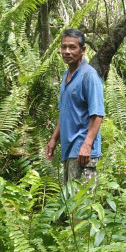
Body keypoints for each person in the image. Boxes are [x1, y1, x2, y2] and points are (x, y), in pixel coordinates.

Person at [45, 29, 105, 184]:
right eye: (63, 47)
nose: (67, 51)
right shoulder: (66, 76)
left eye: (72, 47)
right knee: (69, 203)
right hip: (69, 150)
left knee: (82, 203)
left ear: (82, 50)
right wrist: (53, 139)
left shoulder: (89, 76)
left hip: (83, 152)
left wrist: (87, 145)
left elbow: (97, 114)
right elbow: (64, 111)